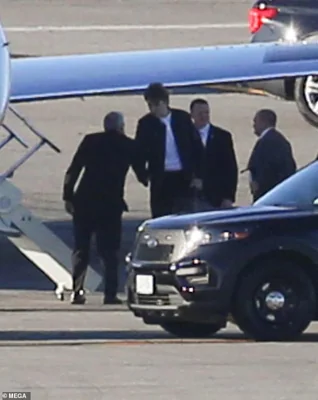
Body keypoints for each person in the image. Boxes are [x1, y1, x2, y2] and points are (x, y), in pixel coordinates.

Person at [62, 112, 136, 305]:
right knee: (109, 251)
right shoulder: (128, 145)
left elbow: (74, 168)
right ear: (121, 127)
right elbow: (141, 171)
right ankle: (110, 294)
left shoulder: (90, 141)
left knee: (81, 249)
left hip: (84, 202)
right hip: (110, 204)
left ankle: (77, 291)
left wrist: (68, 196)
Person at [133, 82, 200, 218]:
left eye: (153, 105)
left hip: (184, 177)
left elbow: (197, 147)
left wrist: (198, 175)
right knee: (161, 216)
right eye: (149, 105)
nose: (151, 109)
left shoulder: (182, 118)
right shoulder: (146, 123)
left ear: (163, 103)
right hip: (161, 179)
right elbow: (138, 152)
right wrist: (143, 175)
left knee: (186, 216)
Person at [189, 98, 238, 208]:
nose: (203, 116)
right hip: (191, 197)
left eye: (206, 113)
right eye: (200, 113)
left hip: (217, 197)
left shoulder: (222, 137)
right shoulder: (184, 135)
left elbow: (231, 169)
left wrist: (228, 197)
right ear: (192, 115)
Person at [247, 109, 296, 201]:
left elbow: (281, 169)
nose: (253, 125)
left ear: (263, 122)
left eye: (255, 121)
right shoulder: (270, 139)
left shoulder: (271, 141)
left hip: (268, 194)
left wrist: (259, 184)